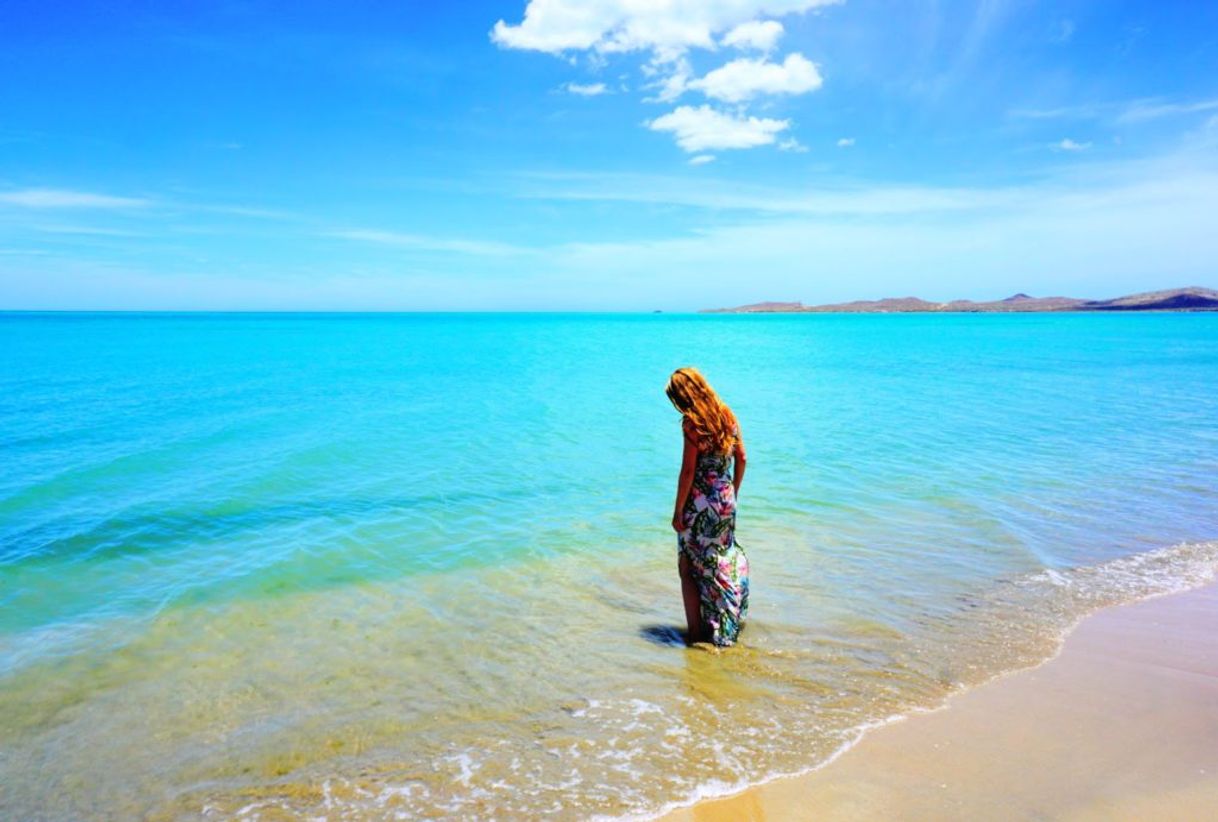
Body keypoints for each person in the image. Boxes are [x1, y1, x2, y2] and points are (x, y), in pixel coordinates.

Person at [665, 367, 749, 646]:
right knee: (720, 561)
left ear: (683, 396)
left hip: (698, 505)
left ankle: (696, 634)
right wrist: (732, 491)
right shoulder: (727, 414)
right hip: (726, 501)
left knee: (687, 566)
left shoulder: (692, 423)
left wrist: (678, 512)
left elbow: (688, 472)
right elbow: (743, 458)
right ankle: (727, 619)